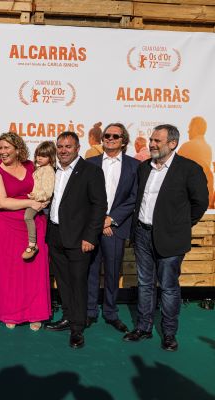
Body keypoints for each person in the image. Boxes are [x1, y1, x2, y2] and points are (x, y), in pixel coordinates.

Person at [124, 124, 208, 351]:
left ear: (172, 143)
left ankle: (169, 334)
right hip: (142, 234)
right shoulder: (144, 168)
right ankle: (143, 327)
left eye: (157, 141)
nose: (152, 144)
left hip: (170, 238)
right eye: (151, 140)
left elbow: (199, 203)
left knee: (169, 287)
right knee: (144, 284)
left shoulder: (189, 169)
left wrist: (178, 225)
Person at [45, 132, 107, 349]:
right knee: (62, 281)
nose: (63, 150)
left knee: (78, 283)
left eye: (68, 146)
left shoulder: (91, 171)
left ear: (77, 148)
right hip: (54, 235)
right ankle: (68, 317)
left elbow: (99, 207)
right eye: (60, 146)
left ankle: (77, 328)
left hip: (80, 239)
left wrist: (90, 236)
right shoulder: (52, 171)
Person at [0, 132, 52, 332]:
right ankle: (11, 313)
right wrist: (30, 202)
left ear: (17, 149)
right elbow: (1, 202)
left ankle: (36, 312)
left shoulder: (32, 166)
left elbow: (45, 187)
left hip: (35, 225)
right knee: (11, 272)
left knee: (35, 271)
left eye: (7, 147)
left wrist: (43, 201)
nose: (3, 151)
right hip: (8, 227)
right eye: (0, 148)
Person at [86, 123, 140, 333]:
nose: (110, 138)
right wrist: (100, 221)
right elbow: (84, 196)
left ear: (123, 141)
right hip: (93, 226)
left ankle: (110, 312)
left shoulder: (134, 166)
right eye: (106, 135)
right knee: (91, 270)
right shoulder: (89, 163)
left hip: (115, 228)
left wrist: (111, 220)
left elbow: (134, 197)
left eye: (115, 136)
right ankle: (90, 311)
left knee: (112, 272)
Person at [22, 141, 56, 260]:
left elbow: (48, 192)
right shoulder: (40, 168)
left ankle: (32, 244)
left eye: (43, 156)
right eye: (38, 155)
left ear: (51, 157)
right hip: (36, 198)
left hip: (40, 201)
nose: (39, 158)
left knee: (28, 216)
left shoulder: (48, 170)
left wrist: (34, 196)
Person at [177, 116, 213, 207]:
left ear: (195, 128)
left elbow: (174, 169)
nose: (188, 131)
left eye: (189, 128)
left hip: (189, 198)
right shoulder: (208, 147)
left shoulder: (187, 146)